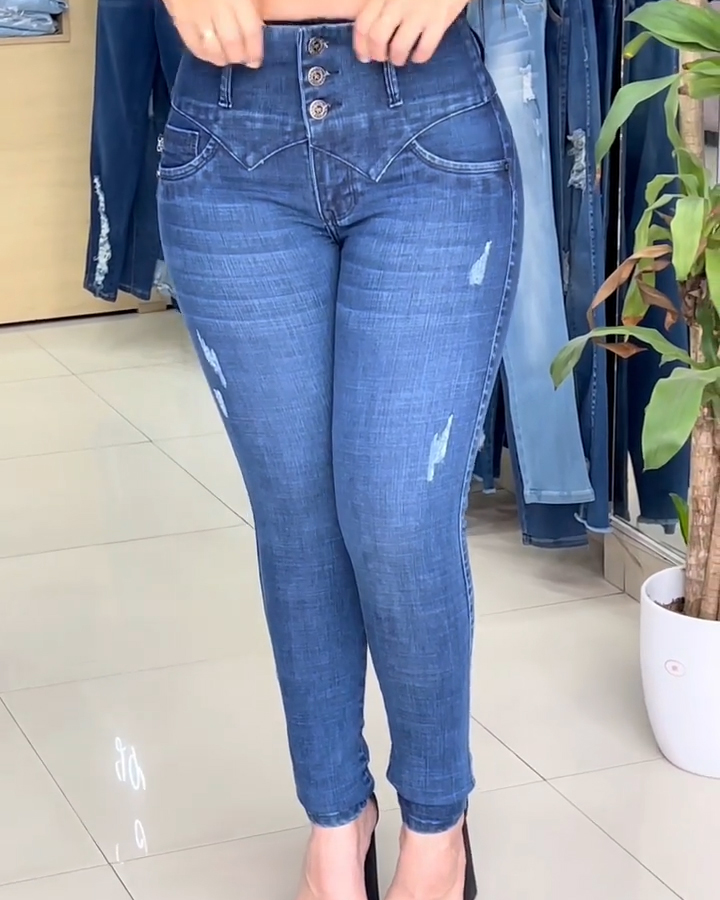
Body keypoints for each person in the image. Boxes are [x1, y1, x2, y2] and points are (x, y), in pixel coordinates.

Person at [157, 1, 521, 898]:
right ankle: (335, 820)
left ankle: (437, 828)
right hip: (227, 139)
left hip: (426, 128)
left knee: (398, 520)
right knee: (299, 519)